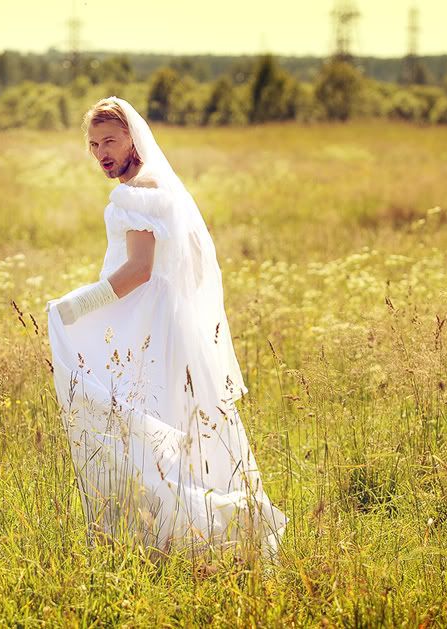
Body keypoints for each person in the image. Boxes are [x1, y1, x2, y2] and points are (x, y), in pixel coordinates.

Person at [46, 96, 287, 566]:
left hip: (152, 329)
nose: (102, 154)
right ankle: (212, 536)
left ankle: (176, 538)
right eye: (94, 145)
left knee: (151, 430)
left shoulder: (135, 192)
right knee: (184, 429)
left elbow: (138, 269)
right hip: (170, 325)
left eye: (110, 141)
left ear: (132, 137)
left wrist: (74, 307)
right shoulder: (160, 185)